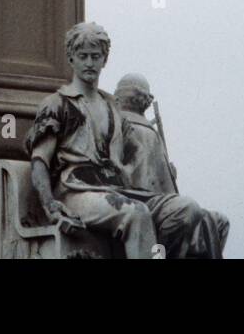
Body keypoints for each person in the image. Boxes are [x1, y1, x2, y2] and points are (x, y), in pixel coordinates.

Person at [25, 22, 162, 259]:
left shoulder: (112, 106)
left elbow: (138, 154)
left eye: (95, 56)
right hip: (76, 192)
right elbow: (39, 161)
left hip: (116, 189)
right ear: (71, 59)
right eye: (83, 56)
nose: (89, 63)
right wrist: (50, 205)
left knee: (187, 214)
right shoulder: (57, 104)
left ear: (104, 60)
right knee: (136, 214)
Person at [115, 71, 229, 259]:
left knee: (219, 221)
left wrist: (169, 174)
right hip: (134, 201)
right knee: (187, 209)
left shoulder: (150, 133)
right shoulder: (116, 127)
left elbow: (165, 188)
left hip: (160, 201)